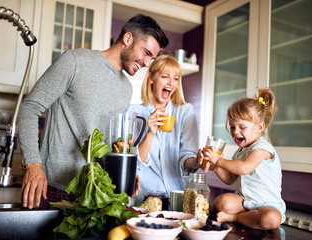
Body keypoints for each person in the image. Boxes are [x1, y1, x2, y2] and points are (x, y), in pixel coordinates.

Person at [18, 14, 169, 209]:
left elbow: (112, 143)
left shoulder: (126, 88)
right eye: (146, 53)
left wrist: (125, 173)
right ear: (128, 38)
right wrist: (33, 165)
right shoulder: (75, 61)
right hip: (56, 189)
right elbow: (30, 108)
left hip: (96, 193)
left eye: (152, 58)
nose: (148, 63)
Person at [199, 88, 286, 230]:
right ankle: (247, 215)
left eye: (242, 127)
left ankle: (235, 217)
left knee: (271, 219)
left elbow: (244, 168)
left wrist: (219, 160)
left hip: (266, 203)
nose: (235, 132)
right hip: (245, 201)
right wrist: (217, 168)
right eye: (232, 127)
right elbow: (230, 178)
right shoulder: (240, 152)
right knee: (221, 202)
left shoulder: (263, 148)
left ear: (259, 127)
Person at [127, 55, 202, 206]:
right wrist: (150, 133)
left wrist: (197, 161)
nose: (171, 83)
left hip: (178, 197)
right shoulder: (134, 113)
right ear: (151, 78)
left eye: (175, 78)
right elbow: (134, 164)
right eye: (165, 76)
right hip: (145, 197)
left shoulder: (185, 112)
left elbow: (187, 156)